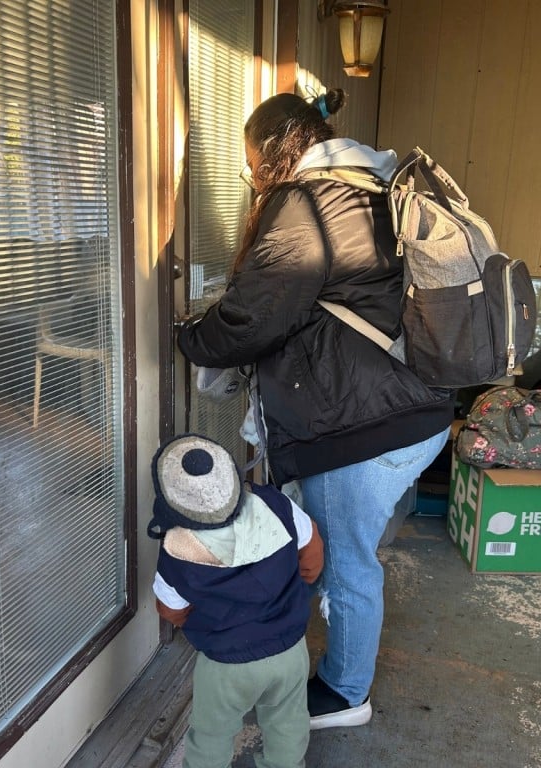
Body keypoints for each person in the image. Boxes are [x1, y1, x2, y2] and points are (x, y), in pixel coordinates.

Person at [176, 88, 454, 730]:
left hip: (364, 427)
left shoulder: (308, 202)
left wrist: (187, 337)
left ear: (276, 153)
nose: (252, 178)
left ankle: (346, 693)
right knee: (334, 551)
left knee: (346, 563)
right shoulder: (368, 187)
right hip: (401, 410)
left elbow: (251, 319)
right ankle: (313, 661)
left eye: (252, 164)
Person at [149, 433, 324, 768]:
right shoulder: (275, 504)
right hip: (289, 651)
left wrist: (204, 622)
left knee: (211, 734)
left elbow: (172, 609)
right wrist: (299, 589)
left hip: (225, 665)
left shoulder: (176, 549)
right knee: (288, 724)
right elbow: (311, 551)